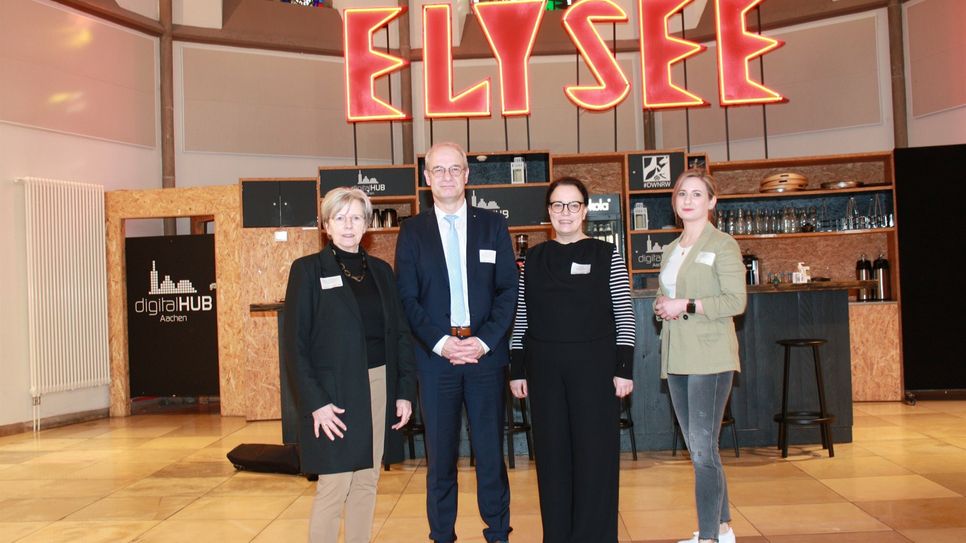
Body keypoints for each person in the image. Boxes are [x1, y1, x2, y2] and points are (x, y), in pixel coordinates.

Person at [395, 142, 517, 543]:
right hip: (436, 362)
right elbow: (407, 299)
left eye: (455, 169)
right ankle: (442, 536)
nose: (447, 176)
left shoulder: (493, 225)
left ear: (467, 175)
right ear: (427, 178)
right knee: (440, 460)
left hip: (485, 359)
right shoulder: (412, 231)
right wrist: (442, 342)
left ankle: (498, 533)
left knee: (489, 456)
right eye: (438, 170)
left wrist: (482, 341)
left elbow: (508, 292)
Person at [283, 187, 417, 543]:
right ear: (326, 225)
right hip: (334, 394)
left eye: (356, 217)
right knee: (335, 482)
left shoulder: (381, 272)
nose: (348, 225)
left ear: (367, 224)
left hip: (378, 387)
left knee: (367, 480)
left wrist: (403, 392)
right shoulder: (307, 271)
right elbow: (294, 346)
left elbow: (400, 335)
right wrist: (315, 403)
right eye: (339, 217)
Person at [508, 177, 635, 543]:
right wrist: (517, 368)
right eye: (558, 205)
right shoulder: (531, 260)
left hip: (595, 370)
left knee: (596, 460)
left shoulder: (606, 254)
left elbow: (624, 314)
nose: (565, 213)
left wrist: (623, 368)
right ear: (548, 212)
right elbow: (521, 318)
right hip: (544, 371)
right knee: (552, 460)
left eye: (573, 205)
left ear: (585, 210)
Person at [653, 169, 746, 543]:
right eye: (681, 194)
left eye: (696, 194)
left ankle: (707, 536)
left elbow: (736, 301)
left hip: (710, 358)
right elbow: (672, 299)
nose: (687, 200)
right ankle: (722, 528)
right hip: (677, 357)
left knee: (703, 451)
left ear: (711, 202)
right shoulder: (671, 249)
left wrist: (686, 303)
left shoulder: (723, 244)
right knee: (699, 448)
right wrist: (663, 306)